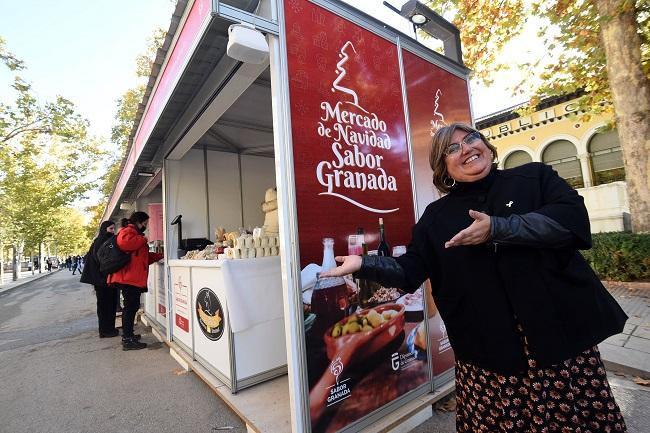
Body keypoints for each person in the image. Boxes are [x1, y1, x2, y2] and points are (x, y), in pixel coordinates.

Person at [322, 123, 628, 433]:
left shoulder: (534, 178)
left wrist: (498, 227)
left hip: (559, 341)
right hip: (488, 351)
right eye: (452, 149)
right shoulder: (435, 217)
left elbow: (571, 222)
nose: (466, 148)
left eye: (471, 139)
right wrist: (363, 263)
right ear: (444, 168)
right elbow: (410, 269)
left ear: (486, 145)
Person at [107, 212, 163, 350]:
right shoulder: (128, 232)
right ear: (139, 222)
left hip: (131, 278)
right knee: (130, 308)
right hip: (128, 279)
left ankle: (129, 334)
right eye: (145, 224)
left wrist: (160, 256)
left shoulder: (134, 234)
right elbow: (125, 244)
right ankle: (127, 340)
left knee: (131, 307)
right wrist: (143, 239)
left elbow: (142, 257)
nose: (146, 226)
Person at [80, 220, 119, 338]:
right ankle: (106, 330)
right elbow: (102, 261)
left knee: (108, 305)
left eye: (113, 229)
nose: (113, 231)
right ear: (105, 229)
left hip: (102, 280)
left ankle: (108, 329)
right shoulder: (103, 241)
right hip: (103, 280)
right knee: (106, 305)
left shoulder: (99, 241)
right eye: (111, 229)